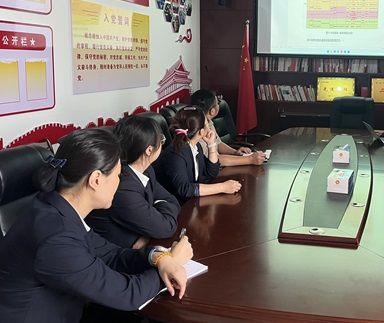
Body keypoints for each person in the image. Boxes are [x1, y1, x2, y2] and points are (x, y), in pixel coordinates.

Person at [0, 128, 193, 323]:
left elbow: (111, 255)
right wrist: (174, 261)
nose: (120, 182)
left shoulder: (56, 207)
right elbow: (127, 294)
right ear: (96, 180)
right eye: (118, 175)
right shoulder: (56, 236)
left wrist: (161, 257)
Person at [86, 116, 180, 249]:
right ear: (149, 150)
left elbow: (172, 200)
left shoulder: (146, 170)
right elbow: (166, 227)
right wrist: (155, 218)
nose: (162, 144)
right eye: (161, 141)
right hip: (114, 254)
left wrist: (148, 230)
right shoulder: (122, 185)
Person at [154, 106, 241, 204]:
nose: (209, 126)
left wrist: (211, 145)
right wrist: (223, 187)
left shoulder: (196, 146)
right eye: (207, 124)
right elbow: (185, 189)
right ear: (201, 132)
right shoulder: (175, 154)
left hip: (193, 202)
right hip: (177, 206)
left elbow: (211, 173)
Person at [190, 89, 267, 166]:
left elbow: (218, 144)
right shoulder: (197, 129)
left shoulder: (208, 122)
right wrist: (250, 159)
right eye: (218, 103)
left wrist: (235, 152)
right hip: (209, 171)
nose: (219, 105)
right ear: (212, 111)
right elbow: (215, 159)